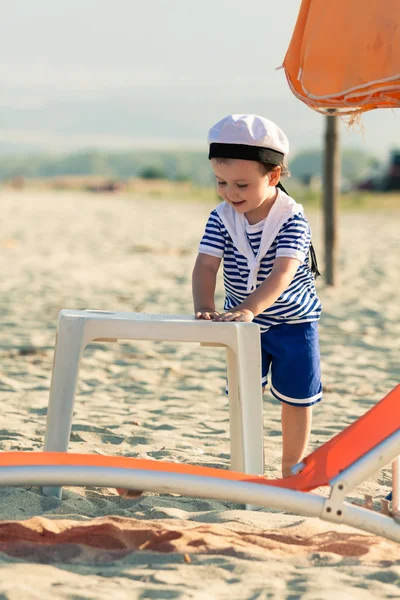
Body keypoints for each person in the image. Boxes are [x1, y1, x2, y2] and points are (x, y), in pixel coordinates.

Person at [192, 114, 322, 478]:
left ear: (274, 176)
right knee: (243, 395)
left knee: (296, 399)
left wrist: (249, 308)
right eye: (221, 182)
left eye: (242, 185)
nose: (231, 193)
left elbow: (283, 273)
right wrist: (204, 307)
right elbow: (205, 266)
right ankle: (248, 467)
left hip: (294, 323)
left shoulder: (292, 219)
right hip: (243, 326)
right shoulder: (221, 217)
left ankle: (290, 469)